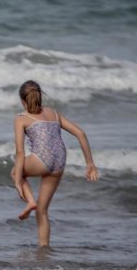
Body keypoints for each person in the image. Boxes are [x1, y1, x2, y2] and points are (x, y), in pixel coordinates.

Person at [11, 80, 99, 246]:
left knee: (15, 171)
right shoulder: (54, 113)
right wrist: (90, 164)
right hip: (60, 161)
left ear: (23, 101)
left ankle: (31, 201)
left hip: (42, 158)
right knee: (42, 211)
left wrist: (17, 181)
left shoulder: (21, 118)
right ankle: (44, 250)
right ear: (40, 96)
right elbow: (80, 133)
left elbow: (20, 153)